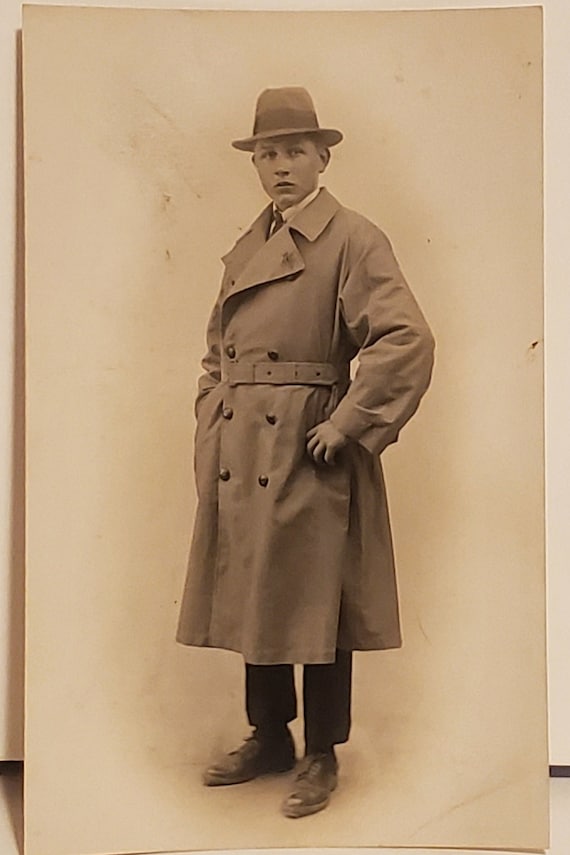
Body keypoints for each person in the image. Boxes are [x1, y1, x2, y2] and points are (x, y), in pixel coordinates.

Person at [176, 86, 435, 818]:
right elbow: (214, 355)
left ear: (323, 157)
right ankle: (269, 734)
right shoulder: (248, 246)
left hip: (312, 446)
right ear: (255, 163)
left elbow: (405, 339)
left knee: (319, 601)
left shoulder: (354, 237)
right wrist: (211, 423)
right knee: (259, 586)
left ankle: (321, 750)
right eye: (268, 153)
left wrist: (349, 422)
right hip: (245, 445)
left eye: (295, 151)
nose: (281, 165)